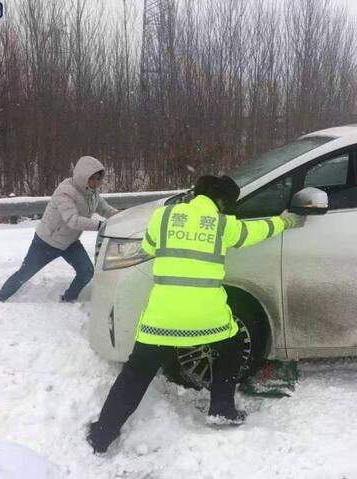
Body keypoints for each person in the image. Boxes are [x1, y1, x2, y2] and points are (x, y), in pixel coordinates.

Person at [87, 174, 306, 454]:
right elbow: (259, 230)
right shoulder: (224, 225)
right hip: (208, 317)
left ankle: (102, 434)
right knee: (233, 343)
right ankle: (222, 408)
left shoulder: (163, 217)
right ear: (221, 202)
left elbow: (150, 247)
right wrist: (287, 220)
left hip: (162, 319)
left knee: (136, 373)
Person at [0, 156, 118, 303]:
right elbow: (72, 220)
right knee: (24, 274)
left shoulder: (92, 193)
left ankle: (68, 299)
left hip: (70, 242)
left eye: (99, 178)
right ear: (83, 176)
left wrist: (123, 216)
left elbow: (105, 209)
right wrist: (100, 226)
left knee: (86, 271)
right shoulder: (66, 192)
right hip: (47, 242)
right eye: (93, 178)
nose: (97, 182)